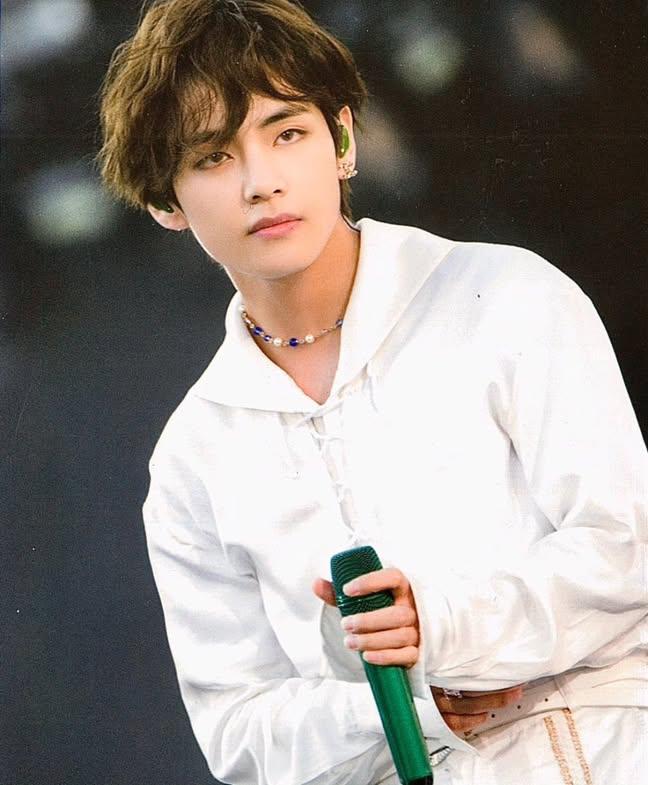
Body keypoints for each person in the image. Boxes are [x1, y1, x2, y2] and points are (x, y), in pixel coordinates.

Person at [98, 1, 648, 783]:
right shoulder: (194, 458)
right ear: (165, 202)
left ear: (344, 141)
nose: (261, 182)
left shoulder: (508, 297)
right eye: (213, 157)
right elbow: (239, 731)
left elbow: (627, 546)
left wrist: (443, 624)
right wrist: (400, 708)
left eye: (287, 133)